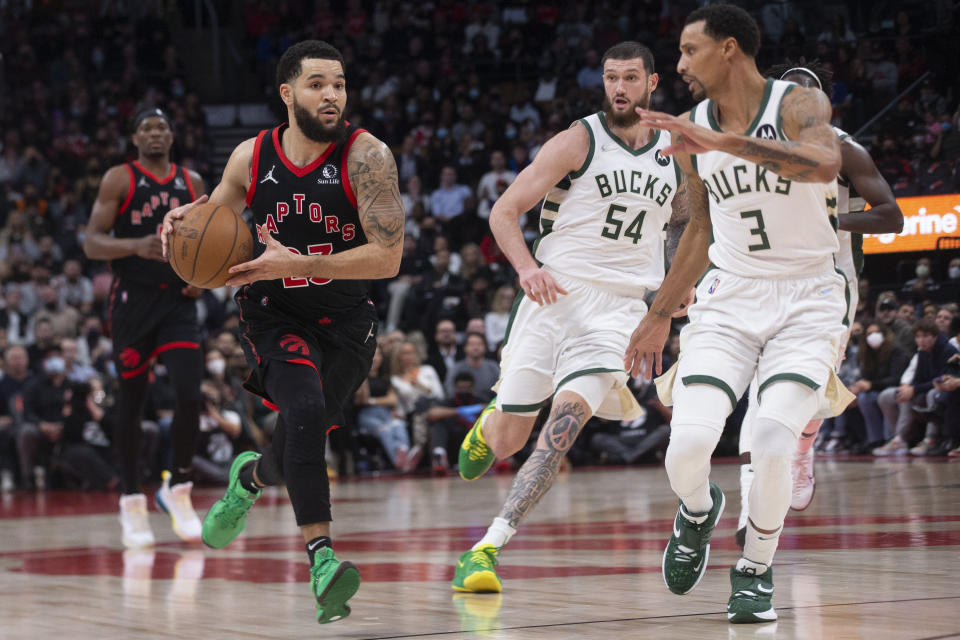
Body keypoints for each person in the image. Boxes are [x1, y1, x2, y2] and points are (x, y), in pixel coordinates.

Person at [160, 40, 403, 624]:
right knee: (303, 412)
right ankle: (322, 561)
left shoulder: (367, 156)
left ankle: (249, 477)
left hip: (347, 321)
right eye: (318, 84)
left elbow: (389, 258)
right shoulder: (251, 155)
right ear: (288, 93)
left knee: (301, 433)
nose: (332, 95)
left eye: (339, 84)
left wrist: (297, 262)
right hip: (274, 313)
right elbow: (216, 216)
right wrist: (185, 220)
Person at [623, 5, 847, 624]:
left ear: (727, 49)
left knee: (773, 442)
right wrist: (662, 310)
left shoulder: (797, 103)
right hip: (730, 294)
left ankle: (754, 569)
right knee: (687, 446)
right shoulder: (690, 125)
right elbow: (699, 223)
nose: (679, 65)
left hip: (808, 297)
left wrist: (726, 143)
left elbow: (825, 164)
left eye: (689, 51)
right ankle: (698, 510)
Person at [453, 41, 684, 594]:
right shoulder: (578, 139)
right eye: (611, 78)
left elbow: (682, 222)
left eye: (631, 77)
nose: (620, 88)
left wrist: (677, 289)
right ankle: (490, 422)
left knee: (561, 431)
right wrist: (527, 267)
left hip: (621, 310)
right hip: (553, 296)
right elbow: (504, 211)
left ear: (652, 82)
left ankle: (486, 549)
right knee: (508, 439)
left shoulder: (678, 150)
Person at [735, 59, 904, 538]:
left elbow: (892, 217)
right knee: (762, 381)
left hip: (831, 282)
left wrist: (830, 223)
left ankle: (804, 448)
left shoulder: (845, 149)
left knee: (811, 382)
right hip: (767, 279)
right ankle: (752, 501)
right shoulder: (753, 151)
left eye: (807, 91)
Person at [83, 107, 206, 549]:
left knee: (190, 394)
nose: (154, 133)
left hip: (176, 302)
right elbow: (92, 242)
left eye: (161, 127)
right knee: (130, 406)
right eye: (145, 128)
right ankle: (132, 498)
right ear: (135, 139)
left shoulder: (193, 183)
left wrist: (201, 278)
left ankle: (180, 489)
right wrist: (136, 244)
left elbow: (210, 240)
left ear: (173, 135)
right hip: (133, 302)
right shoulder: (120, 178)